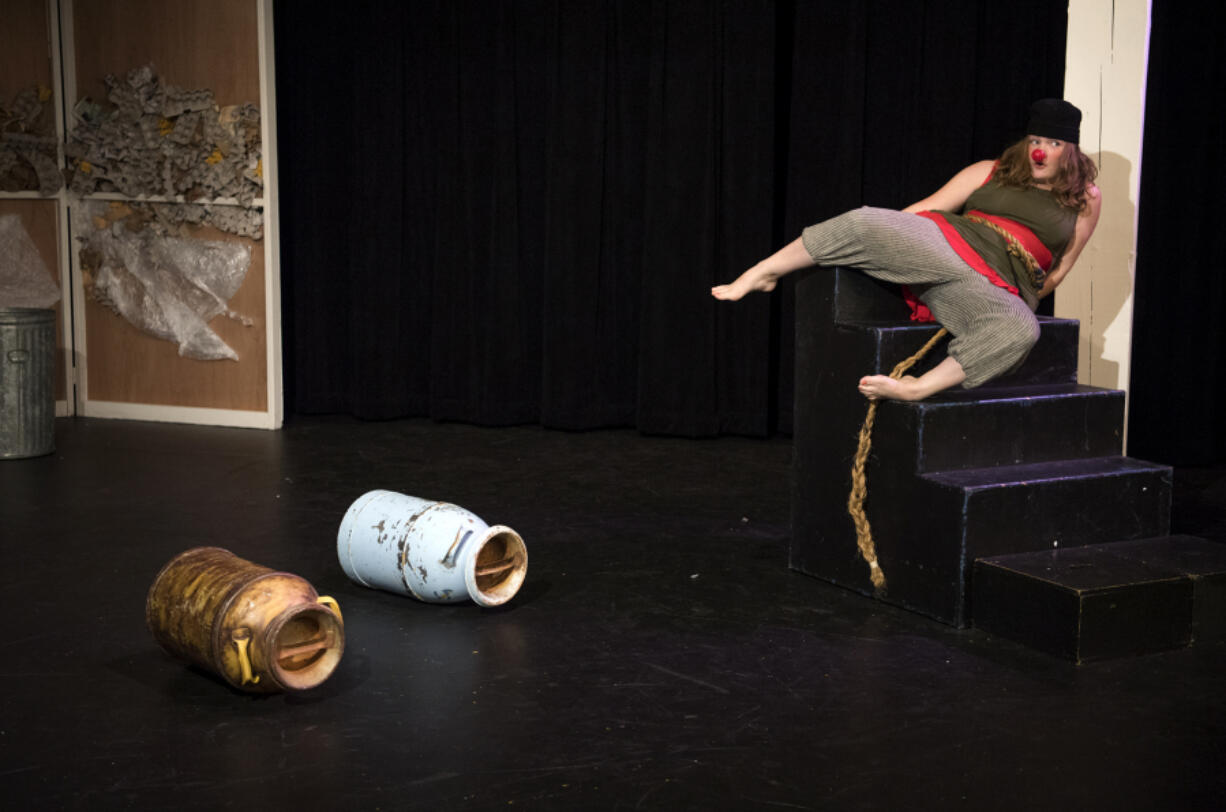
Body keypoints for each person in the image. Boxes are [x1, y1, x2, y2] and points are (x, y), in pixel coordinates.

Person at [711, 98, 1101, 402]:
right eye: (1035, 141)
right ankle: (765, 272)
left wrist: (1018, 296)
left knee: (1019, 329)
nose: (1041, 151)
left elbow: (1062, 268)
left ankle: (915, 388)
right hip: (951, 244)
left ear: (1070, 150)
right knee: (866, 220)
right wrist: (890, 235)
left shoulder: (1084, 198)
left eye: (1053, 143)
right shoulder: (991, 170)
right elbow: (925, 209)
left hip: (998, 282)